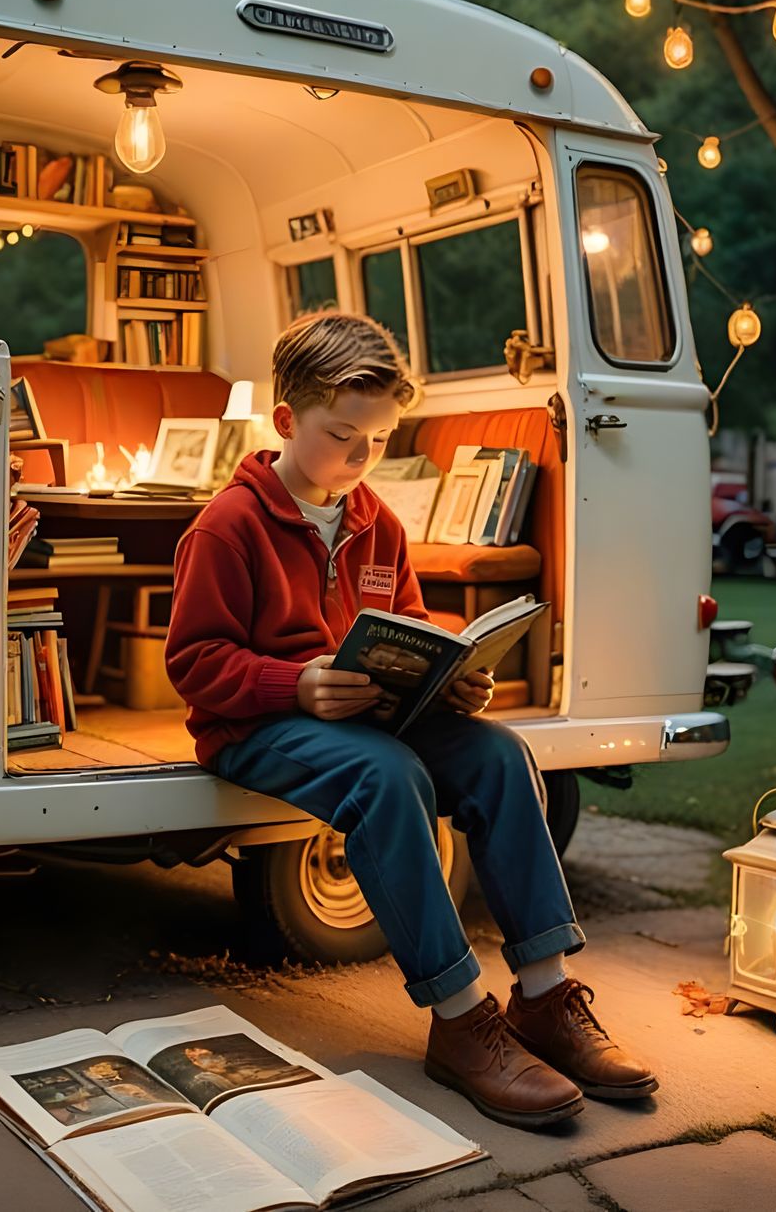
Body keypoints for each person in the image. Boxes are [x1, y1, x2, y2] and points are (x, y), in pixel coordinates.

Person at [165, 311, 656, 1131]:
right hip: (256, 725)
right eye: (344, 435)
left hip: (369, 717)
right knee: (388, 776)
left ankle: (543, 995)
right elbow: (195, 662)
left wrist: (453, 682)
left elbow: (412, 623)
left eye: (381, 440)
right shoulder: (229, 524)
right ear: (286, 420)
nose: (362, 459)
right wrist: (297, 683)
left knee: (500, 756)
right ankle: (462, 1019)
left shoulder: (377, 520)